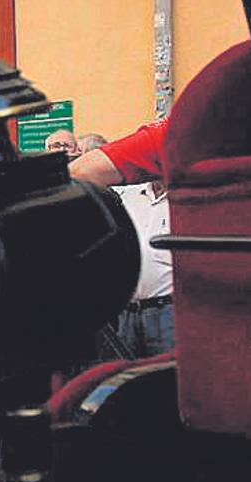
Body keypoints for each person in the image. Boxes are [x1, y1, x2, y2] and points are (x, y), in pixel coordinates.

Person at [68, 118, 175, 357]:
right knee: (127, 380)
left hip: (168, 311)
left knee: (169, 381)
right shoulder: (128, 194)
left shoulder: (182, 197)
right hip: (127, 311)